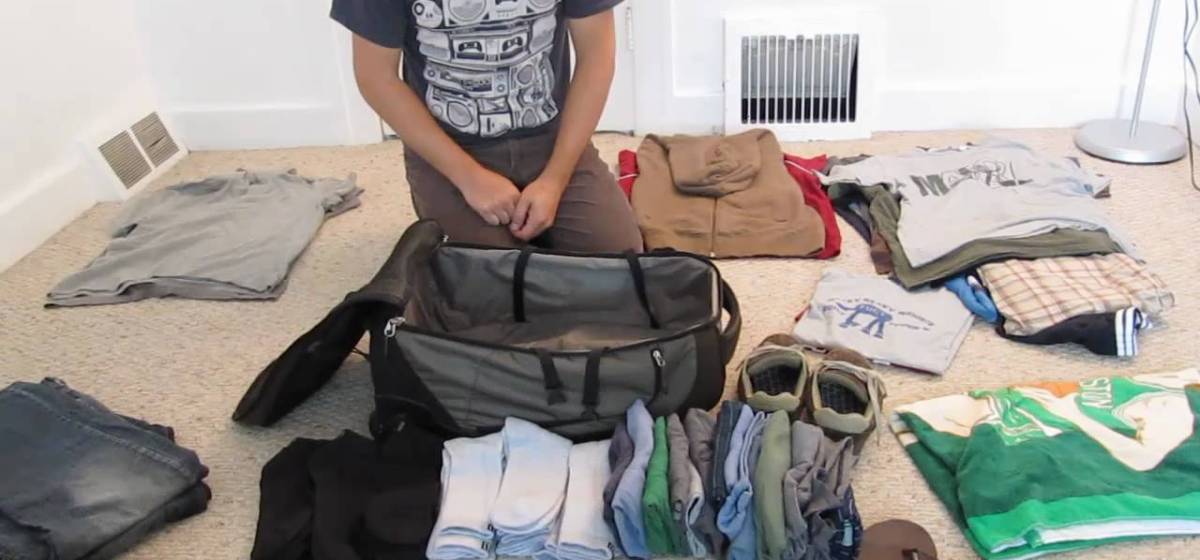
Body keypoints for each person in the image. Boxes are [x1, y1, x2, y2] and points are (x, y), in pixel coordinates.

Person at [332, 0, 643, 252]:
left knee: (622, 263)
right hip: (449, 148)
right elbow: (375, 77)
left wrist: (555, 179)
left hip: (551, 141)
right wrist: (469, 178)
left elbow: (596, 58)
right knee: (487, 279)